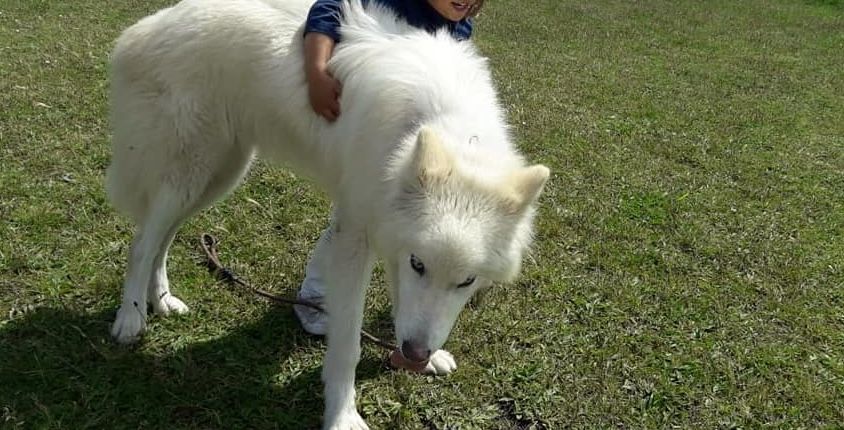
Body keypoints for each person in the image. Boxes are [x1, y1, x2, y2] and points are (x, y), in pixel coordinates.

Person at [295, 0, 484, 335]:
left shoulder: (458, 28)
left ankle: (408, 308)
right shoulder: (391, 4)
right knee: (354, 219)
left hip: (419, 153)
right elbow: (328, 8)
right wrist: (317, 71)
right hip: (367, 135)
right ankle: (316, 295)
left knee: (408, 229)